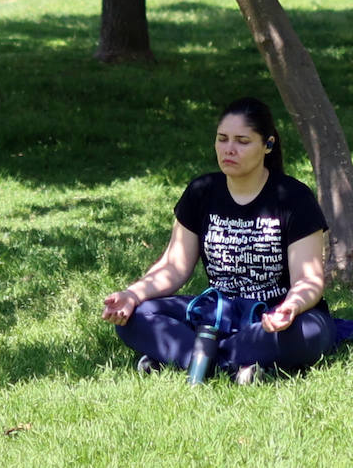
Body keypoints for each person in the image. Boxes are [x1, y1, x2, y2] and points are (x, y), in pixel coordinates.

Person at [102, 97, 335, 384]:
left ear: (268, 144)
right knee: (136, 316)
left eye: (242, 141)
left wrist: (292, 306)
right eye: (222, 139)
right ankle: (236, 365)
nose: (229, 149)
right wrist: (132, 295)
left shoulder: (294, 198)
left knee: (308, 333)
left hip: (273, 316)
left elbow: (309, 280)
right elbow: (174, 266)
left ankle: (194, 358)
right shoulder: (202, 192)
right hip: (215, 312)